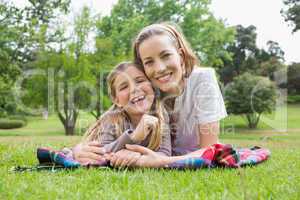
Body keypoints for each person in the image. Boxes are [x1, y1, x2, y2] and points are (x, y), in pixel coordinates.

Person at [73, 22, 227, 168]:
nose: (159, 68)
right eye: (149, 62)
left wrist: (158, 161)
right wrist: (78, 150)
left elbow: (211, 150)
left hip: (180, 157)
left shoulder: (203, 80)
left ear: (180, 55)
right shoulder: (149, 88)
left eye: (166, 55)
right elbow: (114, 113)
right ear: (143, 68)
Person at [68, 62, 171, 166]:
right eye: (124, 87)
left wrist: (137, 157)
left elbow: (165, 154)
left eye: (140, 81)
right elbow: (100, 152)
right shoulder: (112, 119)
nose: (134, 89)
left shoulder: (161, 115)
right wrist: (134, 137)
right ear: (116, 100)